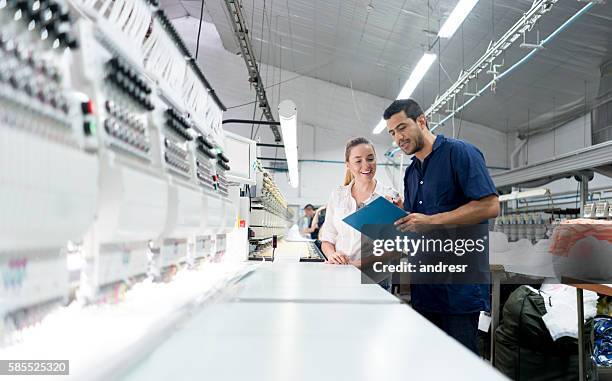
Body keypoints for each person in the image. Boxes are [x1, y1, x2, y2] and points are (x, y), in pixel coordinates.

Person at [383, 99, 499, 354]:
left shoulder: (460, 153)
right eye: (392, 133)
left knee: (460, 366)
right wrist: (397, 216)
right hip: (425, 287)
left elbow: (490, 206)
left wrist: (431, 221)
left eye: (402, 128)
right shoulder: (411, 172)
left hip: (458, 289)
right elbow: (417, 220)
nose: (398, 138)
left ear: (421, 121)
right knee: (427, 363)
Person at [319, 137, 399, 290]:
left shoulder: (389, 197)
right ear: (348, 165)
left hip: (375, 280)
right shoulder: (338, 195)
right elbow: (328, 237)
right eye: (358, 161)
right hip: (340, 274)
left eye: (370, 159)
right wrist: (332, 255)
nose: (366, 165)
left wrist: (355, 264)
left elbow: (393, 249)